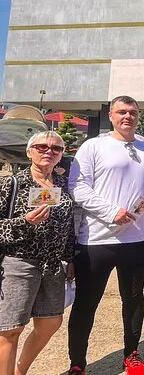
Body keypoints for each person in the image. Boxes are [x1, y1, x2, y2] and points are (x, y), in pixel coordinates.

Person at [67, 95, 144, 375]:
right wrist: (112, 211)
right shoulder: (93, 146)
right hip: (97, 240)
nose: (127, 117)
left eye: (132, 112)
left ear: (138, 115)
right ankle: (77, 363)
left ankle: (131, 353)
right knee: (86, 303)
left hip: (137, 240)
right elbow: (77, 187)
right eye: (121, 112)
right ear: (111, 115)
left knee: (133, 299)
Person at [0, 132, 75, 375]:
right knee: (10, 330)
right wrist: (24, 223)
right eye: (42, 146)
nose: (49, 151)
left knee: (51, 322)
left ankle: (20, 370)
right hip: (19, 263)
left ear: (61, 155)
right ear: (29, 151)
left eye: (56, 148)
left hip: (52, 265)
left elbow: (68, 225)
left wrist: (70, 257)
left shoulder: (64, 185)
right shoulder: (12, 184)